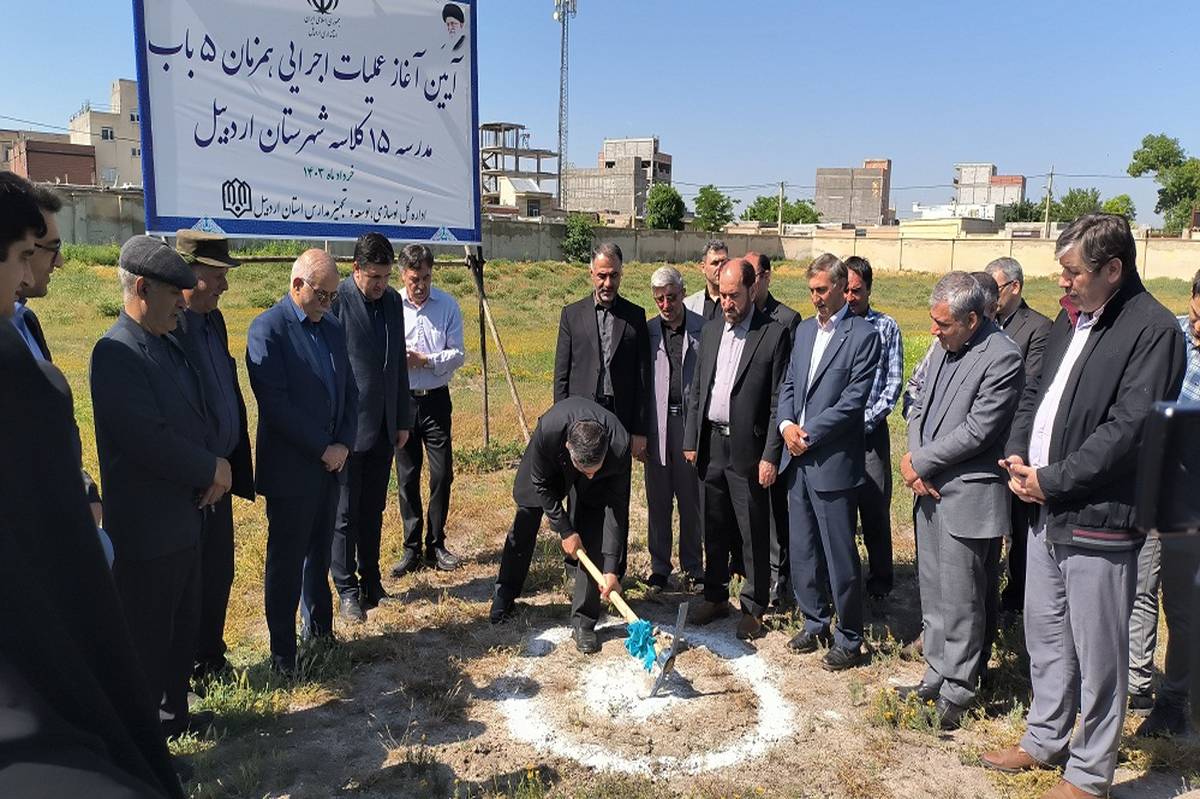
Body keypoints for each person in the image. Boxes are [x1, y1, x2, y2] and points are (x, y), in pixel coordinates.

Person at [983, 214, 1186, 799]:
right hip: (1044, 506)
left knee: (1100, 652)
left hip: (1100, 515)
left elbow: (1129, 431)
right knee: (1045, 634)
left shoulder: (1153, 330)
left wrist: (1056, 479)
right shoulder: (1072, 321)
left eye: (1073, 272)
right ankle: (1046, 737)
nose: (1063, 282)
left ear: (1113, 269)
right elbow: (1035, 396)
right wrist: (1021, 456)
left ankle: (1090, 771)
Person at [1, 321, 185, 798]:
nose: (56, 261)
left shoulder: (24, 327)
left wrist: (84, 488)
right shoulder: (115, 350)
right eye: (35, 249)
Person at [91, 236, 229, 739]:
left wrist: (214, 466)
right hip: (149, 532)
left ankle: (175, 720)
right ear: (143, 288)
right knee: (147, 644)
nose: (182, 302)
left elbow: (194, 416)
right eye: (175, 292)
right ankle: (145, 746)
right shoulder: (116, 352)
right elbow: (148, 439)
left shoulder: (168, 341)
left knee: (178, 634)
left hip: (186, 519)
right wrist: (210, 469)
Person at [898, 272, 1024, 729]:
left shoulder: (1002, 357)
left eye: (943, 324)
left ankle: (960, 686)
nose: (934, 330)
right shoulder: (942, 346)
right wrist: (915, 460)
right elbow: (916, 401)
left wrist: (921, 462)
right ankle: (936, 672)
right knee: (933, 591)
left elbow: (980, 430)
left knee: (966, 597)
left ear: (973, 319)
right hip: (928, 489)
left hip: (968, 495)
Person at [246, 250, 358, 676]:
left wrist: (344, 443)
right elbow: (276, 405)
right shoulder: (268, 330)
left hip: (331, 465)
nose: (329, 303)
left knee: (321, 552)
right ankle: (283, 653)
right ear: (297, 286)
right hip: (293, 471)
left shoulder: (330, 328)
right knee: (287, 560)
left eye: (333, 295)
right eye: (322, 294)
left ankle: (321, 634)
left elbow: (350, 391)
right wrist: (322, 448)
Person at [775, 253, 880, 670]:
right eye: (811, 291)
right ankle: (813, 620)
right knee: (802, 548)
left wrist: (809, 433)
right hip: (796, 459)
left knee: (840, 555)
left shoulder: (863, 335)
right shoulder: (803, 332)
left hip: (831, 461)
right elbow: (789, 384)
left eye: (821, 290)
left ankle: (849, 637)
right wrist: (786, 425)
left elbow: (854, 402)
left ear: (841, 286)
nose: (815, 298)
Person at [683, 258, 791, 641]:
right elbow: (698, 388)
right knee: (713, 524)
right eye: (722, 295)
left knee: (752, 529)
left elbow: (781, 399)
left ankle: (753, 605)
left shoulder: (773, 334)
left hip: (749, 448)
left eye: (734, 295)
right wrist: (691, 440)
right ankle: (714, 595)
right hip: (710, 443)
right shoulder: (711, 330)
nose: (726, 302)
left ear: (752, 289)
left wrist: (771, 454)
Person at [173, 229, 254, 683]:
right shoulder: (173, 326)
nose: (224, 285)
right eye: (217, 275)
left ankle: (211, 657)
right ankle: (186, 669)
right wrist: (204, 468)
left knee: (219, 572)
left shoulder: (213, 321)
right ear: (189, 273)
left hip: (220, 473)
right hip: (196, 480)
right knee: (191, 578)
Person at [490, 397, 632, 654]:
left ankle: (584, 623)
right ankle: (504, 594)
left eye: (593, 469)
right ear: (569, 447)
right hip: (550, 466)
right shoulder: (550, 430)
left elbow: (616, 510)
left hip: (600, 471)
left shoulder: (619, 445)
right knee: (526, 516)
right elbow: (541, 485)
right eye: (585, 469)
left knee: (593, 531)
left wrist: (611, 567)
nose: (589, 474)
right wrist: (565, 530)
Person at [1125, 267, 1200, 737]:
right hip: (1152, 484)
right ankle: (1137, 681)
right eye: (1198, 311)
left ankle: (1174, 699)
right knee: (1138, 585)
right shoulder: (1171, 334)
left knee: (1184, 604)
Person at [330, 233, 412, 621]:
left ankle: (371, 581)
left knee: (374, 508)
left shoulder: (393, 302)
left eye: (385, 276)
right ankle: (346, 588)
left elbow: (396, 362)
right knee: (345, 512)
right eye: (373, 277)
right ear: (356, 269)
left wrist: (401, 418)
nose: (380, 284)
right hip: (348, 428)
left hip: (383, 425)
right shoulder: (338, 300)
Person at [985, 257, 1052, 623]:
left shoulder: (1038, 327)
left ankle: (1016, 599)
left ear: (1015, 288)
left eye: (995, 289)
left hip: (1014, 442)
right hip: (983, 444)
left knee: (1019, 528)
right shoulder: (982, 322)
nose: (990, 296)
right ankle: (989, 593)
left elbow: (1030, 385)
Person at [391, 244, 464, 576]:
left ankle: (436, 544)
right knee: (406, 476)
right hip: (403, 400)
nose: (419, 285)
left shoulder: (447, 305)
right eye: (413, 278)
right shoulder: (391, 305)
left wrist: (426, 361)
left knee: (441, 473)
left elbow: (457, 354)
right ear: (402, 275)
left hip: (436, 400)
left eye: (425, 278)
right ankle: (411, 548)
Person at [554, 242, 650, 464]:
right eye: (602, 276)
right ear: (591, 274)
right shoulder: (572, 315)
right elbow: (561, 375)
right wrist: (563, 422)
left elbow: (643, 377)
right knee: (581, 488)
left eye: (614, 276)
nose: (608, 283)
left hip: (620, 418)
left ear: (621, 274)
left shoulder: (635, 317)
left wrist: (639, 430)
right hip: (581, 415)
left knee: (616, 489)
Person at [844, 256, 903, 600]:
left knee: (875, 508)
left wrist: (861, 422)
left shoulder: (886, 327)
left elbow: (892, 385)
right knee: (842, 511)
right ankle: (847, 576)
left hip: (869, 435)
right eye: (846, 290)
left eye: (857, 291)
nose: (851, 298)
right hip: (837, 437)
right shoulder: (833, 326)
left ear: (869, 289)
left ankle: (881, 583)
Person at [643, 266, 705, 592]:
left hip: (688, 425)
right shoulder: (648, 331)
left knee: (690, 499)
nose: (666, 304)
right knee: (658, 500)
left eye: (671, 297)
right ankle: (659, 568)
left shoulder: (703, 330)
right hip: (657, 425)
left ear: (683, 293)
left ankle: (694, 567)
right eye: (660, 299)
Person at [746, 251, 802, 607]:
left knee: (778, 512)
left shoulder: (787, 320)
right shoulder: (740, 318)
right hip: (742, 433)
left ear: (766, 277)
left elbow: (787, 382)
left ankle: (784, 581)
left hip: (774, 430)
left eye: (753, 275)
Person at [683, 239, 729, 321]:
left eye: (724, 262)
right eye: (715, 263)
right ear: (703, 267)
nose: (721, 267)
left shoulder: (737, 303)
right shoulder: (689, 305)